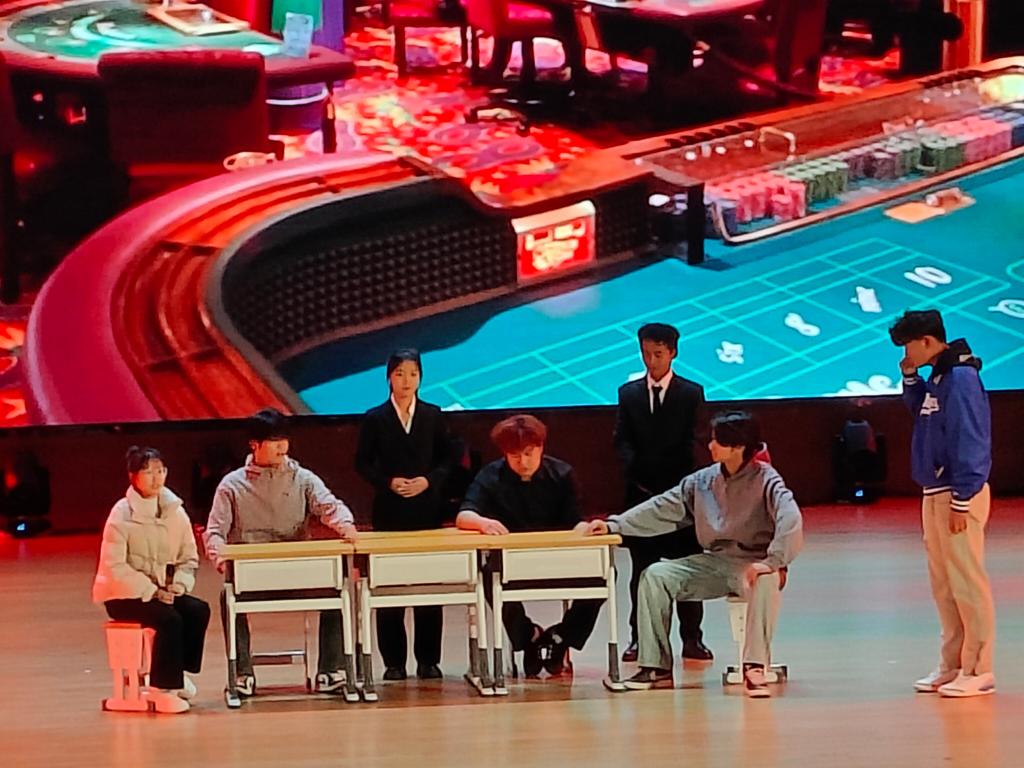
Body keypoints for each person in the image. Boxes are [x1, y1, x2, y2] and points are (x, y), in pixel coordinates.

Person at [587, 411, 802, 698]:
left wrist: (773, 561)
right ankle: (656, 668)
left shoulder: (767, 479)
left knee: (765, 580)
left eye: (717, 441)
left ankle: (754, 667)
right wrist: (615, 524)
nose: (710, 446)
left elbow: (790, 518)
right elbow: (663, 506)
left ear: (738, 447)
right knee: (655, 576)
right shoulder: (702, 481)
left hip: (755, 564)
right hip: (714, 562)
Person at [204, 408, 357, 697]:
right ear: (255, 444)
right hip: (253, 573)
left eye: (284, 439)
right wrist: (221, 558)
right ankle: (242, 673)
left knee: (337, 589)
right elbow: (214, 532)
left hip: (296, 571)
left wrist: (346, 525)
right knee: (228, 596)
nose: (281, 447)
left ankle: (331, 670)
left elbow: (329, 506)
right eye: (274, 441)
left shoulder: (303, 478)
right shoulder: (232, 484)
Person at [889, 309, 996, 698]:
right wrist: (910, 379)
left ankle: (979, 668)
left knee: (966, 582)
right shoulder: (938, 376)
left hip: (956, 493)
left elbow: (971, 438)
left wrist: (963, 499)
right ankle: (953, 663)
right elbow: (924, 412)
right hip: (934, 492)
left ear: (928, 341)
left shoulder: (962, 378)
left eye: (908, 347)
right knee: (945, 585)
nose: (906, 353)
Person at [456, 415, 602, 676]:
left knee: (603, 576)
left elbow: (577, 520)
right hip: (512, 562)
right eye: (514, 456)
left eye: (528, 454)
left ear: (541, 448)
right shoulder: (490, 476)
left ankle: (561, 637)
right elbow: (464, 515)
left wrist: (584, 530)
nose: (523, 462)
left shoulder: (562, 473)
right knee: (487, 575)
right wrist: (482, 522)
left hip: (558, 560)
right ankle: (528, 637)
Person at [355, 349, 456, 681]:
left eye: (413, 374)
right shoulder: (375, 418)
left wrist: (429, 481)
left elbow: (448, 459)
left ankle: (428, 660)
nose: (406, 381)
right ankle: (394, 662)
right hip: (390, 512)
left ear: (421, 377)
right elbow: (362, 463)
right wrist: (388, 482)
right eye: (400, 374)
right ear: (389, 377)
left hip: (427, 512)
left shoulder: (433, 415)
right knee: (389, 588)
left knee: (429, 587)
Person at [613, 322, 711, 663]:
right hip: (641, 496)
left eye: (658, 354)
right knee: (641, 571)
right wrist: (638, 471)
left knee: (687, 569)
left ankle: (692, 639)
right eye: (646, 353)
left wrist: (677, 485)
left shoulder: (691, 393)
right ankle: (640, 639)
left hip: (682, 498)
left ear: (672, 353)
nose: (651, 361)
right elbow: (622, 440)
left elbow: (696, 441)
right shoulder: (628, 394)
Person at [94, 446, 210, 715]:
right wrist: (153, 591)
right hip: (123, 593)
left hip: (161, 590)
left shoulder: (175, 510)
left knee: (197, 610)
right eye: (148, 472)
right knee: (169, 619)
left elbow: (188, 557)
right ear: (133, 477)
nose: (156, 478)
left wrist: (177, 586)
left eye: (160, 471)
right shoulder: (121, 514)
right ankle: (162, 689)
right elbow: (114, 566)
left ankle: (175, 674)